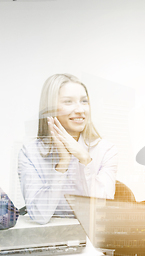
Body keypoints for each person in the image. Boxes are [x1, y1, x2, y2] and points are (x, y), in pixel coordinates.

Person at [18, 74, 118, 225]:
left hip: (92, 239)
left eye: (84, 101)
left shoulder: (106, 150)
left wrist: (85, 159)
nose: (80, 110)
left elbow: (101, 213)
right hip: (50, 239)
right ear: (49, 109)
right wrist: (63, 163)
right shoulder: (30, 153)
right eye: (68, 102)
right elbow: (39, 215)